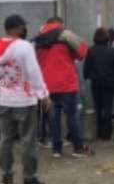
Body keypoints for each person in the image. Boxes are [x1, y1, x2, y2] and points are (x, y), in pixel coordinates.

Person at [0, 15, 50, 184]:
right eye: (23, 27)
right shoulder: (24, 47)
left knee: (6, 139)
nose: (25, 30)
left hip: (4, 98)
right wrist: (43, 94)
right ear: (17, 28)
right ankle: (29, 178)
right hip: (25, 100)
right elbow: (34, 72)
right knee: (28, 140)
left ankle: (6, 175)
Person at [34, 17, 89, 158]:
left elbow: (37, 61)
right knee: (72, 116)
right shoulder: (66, 35)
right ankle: (77, 148)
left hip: (48, 85)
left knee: (53, 117)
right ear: (60, 24)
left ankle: (56, 149)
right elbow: (82, 54)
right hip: (67, 84)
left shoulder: (39, 38)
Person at [83, 28, 114, 141]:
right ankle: (107, 133)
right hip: (110, 84)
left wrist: (88, 76)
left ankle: (99, 131)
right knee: (108, 107)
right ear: (107, 38)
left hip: (96, 83)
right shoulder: (113, 51)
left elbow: (87, 69)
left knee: (98, 107)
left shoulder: (90, 51)